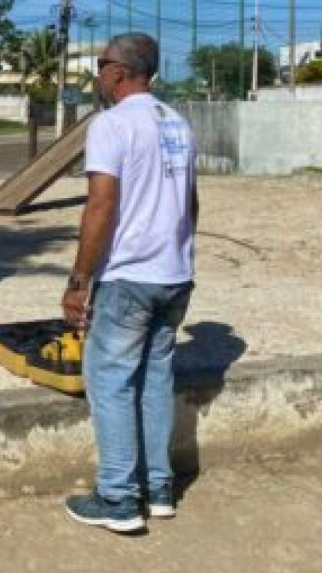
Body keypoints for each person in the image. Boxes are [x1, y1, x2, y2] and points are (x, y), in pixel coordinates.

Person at [60, 32, 198, 533]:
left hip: (129, 276)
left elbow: (101, 204)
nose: (98, 75)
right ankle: (158, 488)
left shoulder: (112, 124)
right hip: (175, 275)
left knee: (111, 380)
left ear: (117, 71)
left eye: (100, 66)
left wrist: (79, 281)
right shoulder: (177, 123)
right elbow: (191, 203)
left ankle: (118, 497)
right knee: (155, 377)